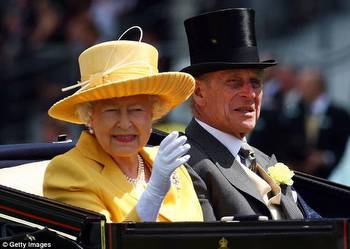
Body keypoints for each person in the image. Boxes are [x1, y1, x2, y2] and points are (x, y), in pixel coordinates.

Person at [43, 29, 203, 223]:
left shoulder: (168, 165)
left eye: (136, 110)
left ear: (152, 114)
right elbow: (103, 242)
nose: (125, 124)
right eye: (111, 111)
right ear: (89, 117)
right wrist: (154, 193)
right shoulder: (67, 171)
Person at [180, 8, 320, 221]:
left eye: (255, 82)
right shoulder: (186, 165)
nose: (250, 93)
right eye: (234, 82)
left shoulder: (263, 161)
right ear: (199, 92)